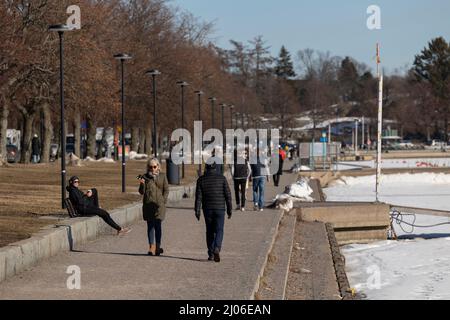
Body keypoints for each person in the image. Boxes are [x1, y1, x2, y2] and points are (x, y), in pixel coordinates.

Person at [195, 162, 232, 262]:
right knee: (219, 229)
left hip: (207, 209)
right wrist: (229, 209)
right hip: (220, 208)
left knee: (210, 231)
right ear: (215, 168)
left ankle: (211, 253)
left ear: (206, 168)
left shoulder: (201, 180)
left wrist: (197, 211)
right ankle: (217, 247)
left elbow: (198, 197)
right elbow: (228, 195)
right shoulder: (222, 179)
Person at [67, 176, 131, 235]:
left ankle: (96, 207)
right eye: (75, 182)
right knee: (104, 213)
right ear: (71, 182)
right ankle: (119, 229)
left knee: (94, 190)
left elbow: (81, 199)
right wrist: (86, 195)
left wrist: (89, 193)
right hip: (83, 209)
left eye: (78, 182)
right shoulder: (73, 191)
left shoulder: (74, 189)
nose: (77, 183)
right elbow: (80, 202)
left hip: (86, 205)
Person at [139, 158, 169, 256]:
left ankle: (158, 246)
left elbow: (166, 190)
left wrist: (163, 201)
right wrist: (142, 184)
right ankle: (151, 247)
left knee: (158, 226)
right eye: (150, 167)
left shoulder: (162, 176)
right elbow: (141, 192)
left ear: (158, 166)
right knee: (150, 226)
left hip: (159, 206)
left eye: (154, 167)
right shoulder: (144, 177)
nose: (152, 169)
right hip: (148, 205)